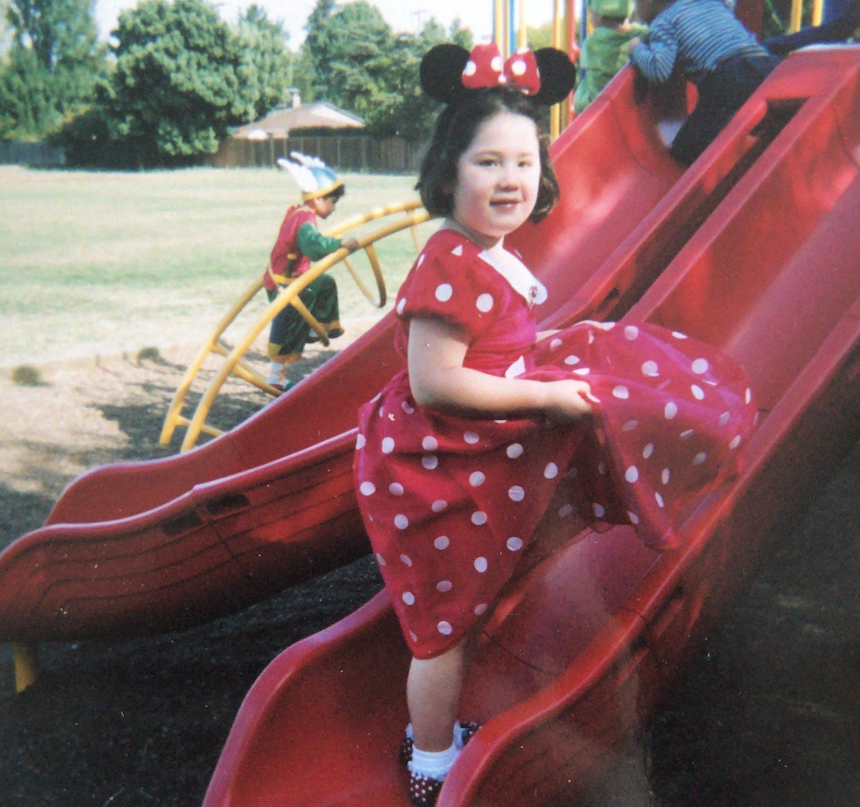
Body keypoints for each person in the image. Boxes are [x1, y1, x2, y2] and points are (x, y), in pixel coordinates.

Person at [353, 41, 758, 806]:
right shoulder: (450, 260)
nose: (509, 179)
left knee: (604, 371)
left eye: (523, 161)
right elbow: (434, 379)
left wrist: (545, 363)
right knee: (442, 627)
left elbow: (495, 344)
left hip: (470, 454)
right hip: (435, 470)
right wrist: (544, 395)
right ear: (449, 168)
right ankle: (431, 764)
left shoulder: (490, 252)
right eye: (487, 163)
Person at [627, 0, 860, 165]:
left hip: (728, 78)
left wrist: (637, 48)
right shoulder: (709, 2)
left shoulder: (663, 24)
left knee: (684, 149)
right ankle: (842, 26)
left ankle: (732, 140)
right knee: (776, 49)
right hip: (764, 63)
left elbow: (659, 70)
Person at [263, 153, 359, 391]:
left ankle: (323, 327)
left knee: (324, 283)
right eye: (332, 202)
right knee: (288, 328)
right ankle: (276, 377)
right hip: (286, 284)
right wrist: (339, 244)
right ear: (317, 199)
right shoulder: (305, 220)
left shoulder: (299, 213)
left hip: (291, 279)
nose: (334, 208)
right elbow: (313, 247)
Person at [573, 0, 648, 114]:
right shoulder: (644, 35)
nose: (591, 19)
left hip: (600, 111)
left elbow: (594, 84)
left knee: (581, 97)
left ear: (599, 15)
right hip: (637, 108)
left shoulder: (593, 43)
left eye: (592, 14)